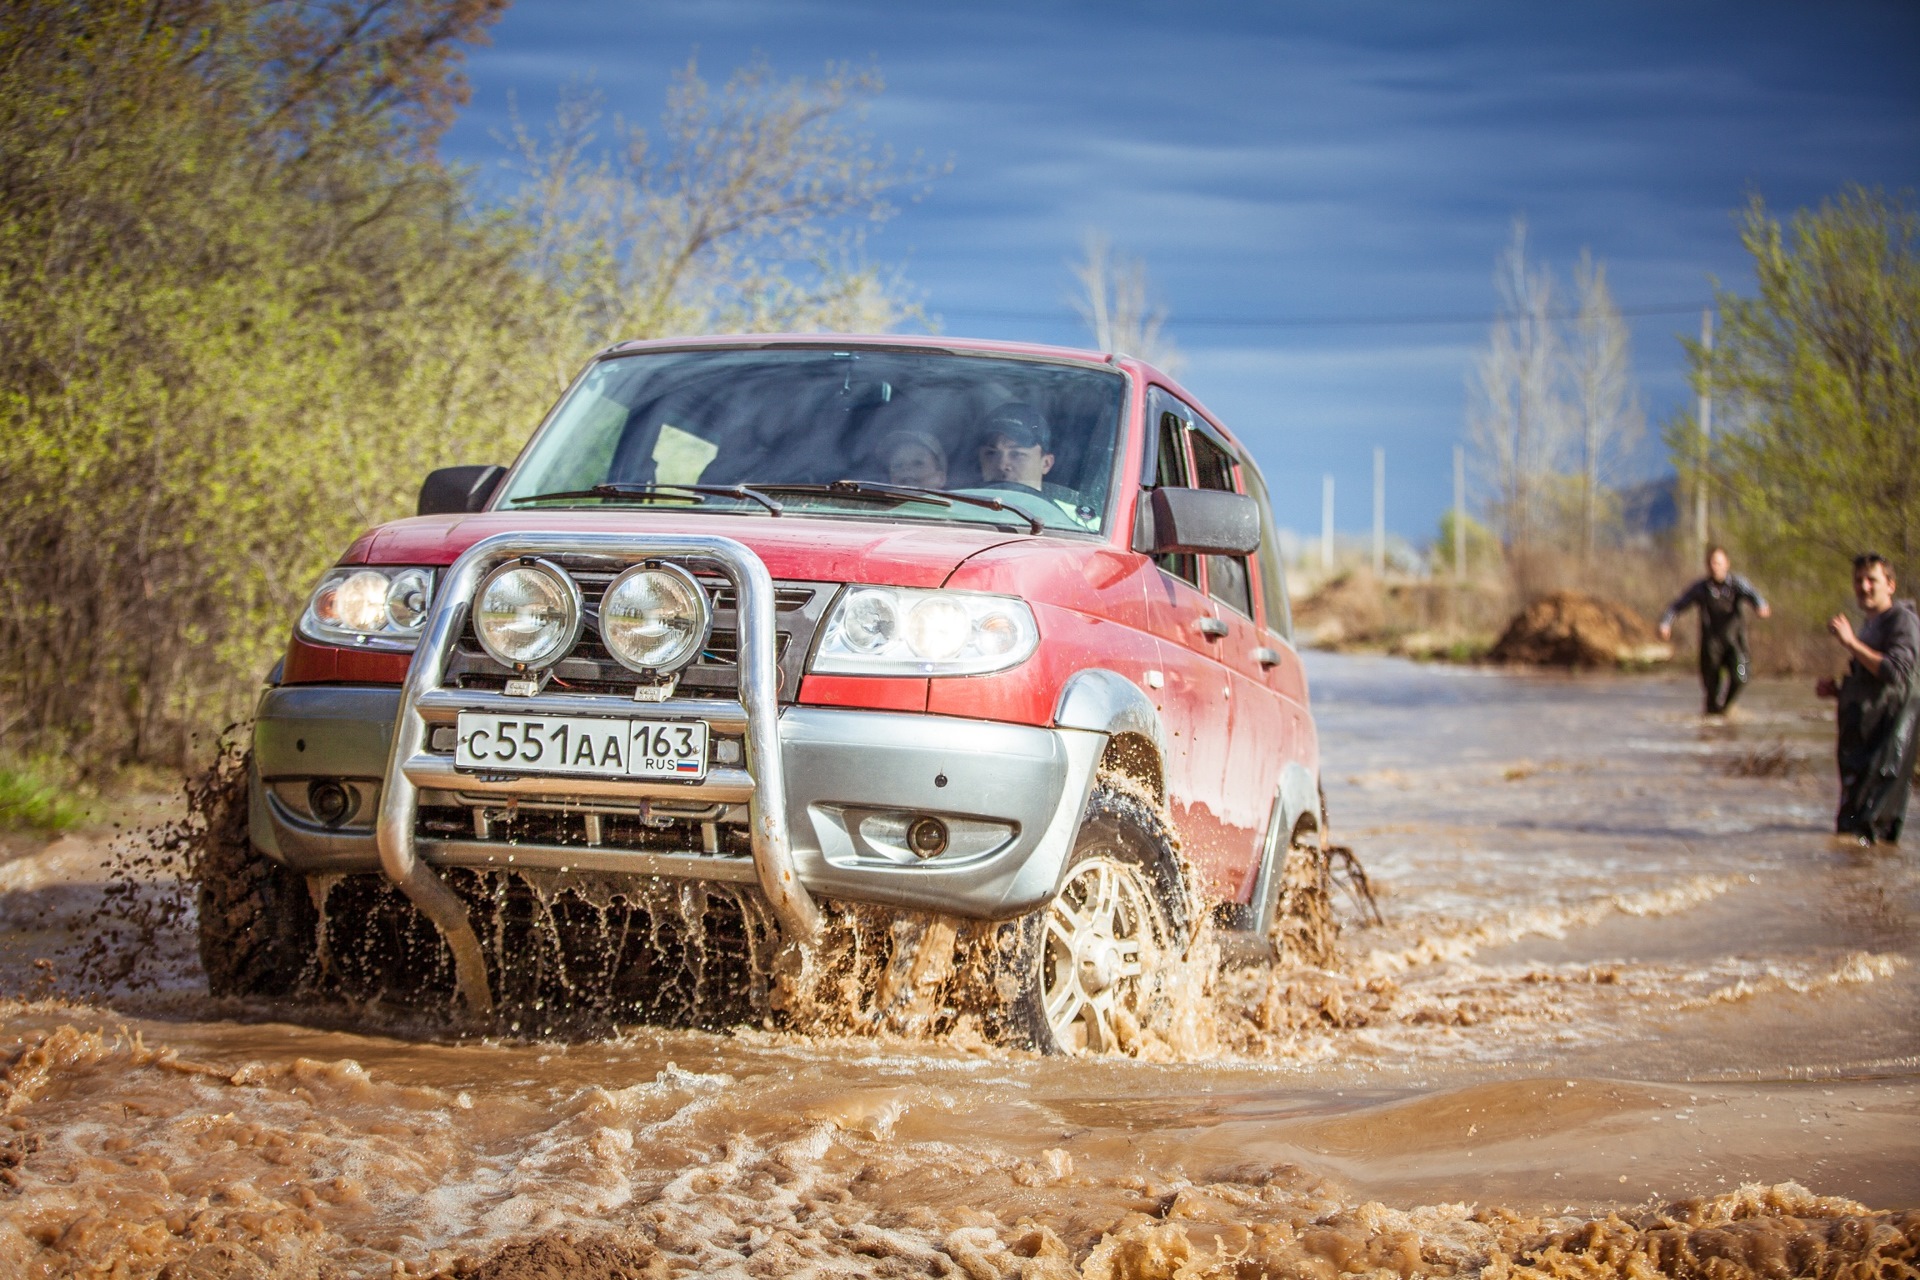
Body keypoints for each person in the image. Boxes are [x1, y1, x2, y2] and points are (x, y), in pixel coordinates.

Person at [1816, 553, 1919, 845]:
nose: (1864, 587)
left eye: (1871, 580)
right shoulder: (1871, 624)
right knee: (1850, 833)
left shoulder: (1903, 620)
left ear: (1890, 584)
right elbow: (1873, 683)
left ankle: (1874, 887)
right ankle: (1855, 888)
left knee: (1870, 831)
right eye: (1858, 581)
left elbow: (1895, 671)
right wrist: (1837, 690)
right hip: (1863, 743)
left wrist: (1850, 643)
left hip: (1887, 744)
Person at [1658, 546, 1771, 715]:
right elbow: (1677, 606)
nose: (1714, 567)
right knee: (1711, 691)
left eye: (1718, 563)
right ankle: (1712, 726)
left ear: (1727, 564)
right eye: (1711, 563)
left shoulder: (1737, 584)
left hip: (1735, 642)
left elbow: (1754, 595)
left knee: (1741, 677)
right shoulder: (1701, 588)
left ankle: (1726, 708)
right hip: (1711, 645)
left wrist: (1761, 607)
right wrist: (1665, 623)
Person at [877, 430, 947, 489]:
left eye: (918, 463)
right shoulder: (869, 503)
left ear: (940, 478)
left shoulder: (956, 504)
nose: (906, 469)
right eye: (898, 465)